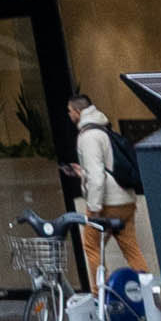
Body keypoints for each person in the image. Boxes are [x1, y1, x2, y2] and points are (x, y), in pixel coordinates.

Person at [65, 93, 140, 306]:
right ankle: (148, 291)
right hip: (125, 200)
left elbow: (97, 178)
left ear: (78, 112)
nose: (69, 115)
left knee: (91, 247)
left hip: (106, 204)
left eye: (70, 111)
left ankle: (100, 297)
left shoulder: (87, 136)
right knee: (131, 249)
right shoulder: (104, 128)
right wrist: (82, 173)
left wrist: (94, 209)